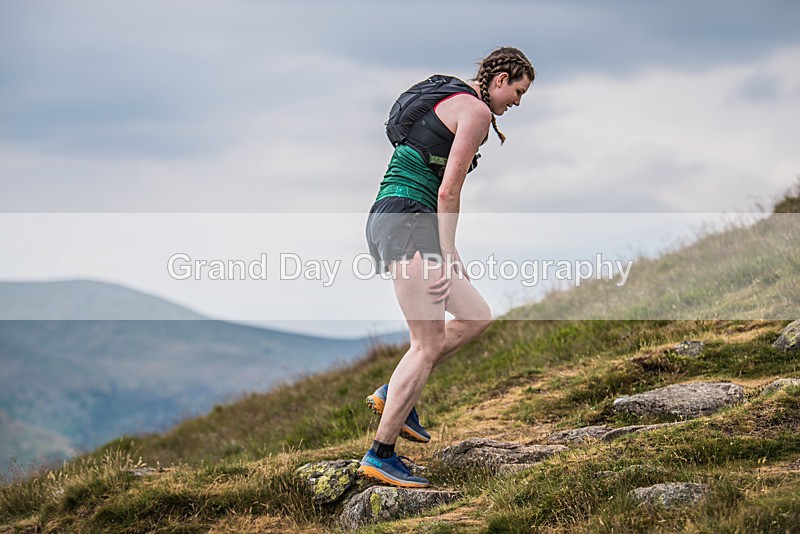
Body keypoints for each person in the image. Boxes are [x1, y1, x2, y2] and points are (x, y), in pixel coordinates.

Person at [358, 47, 535, 488]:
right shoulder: (474, 111)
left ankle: (394, 394)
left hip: (398, 216)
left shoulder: (456, 99)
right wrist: (447, 254)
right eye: (517, 90)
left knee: (476, 315)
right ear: (500, 78)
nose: (517, 102)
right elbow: (448, 190)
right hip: (409, 220)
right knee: (426, 342)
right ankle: (380, 454)